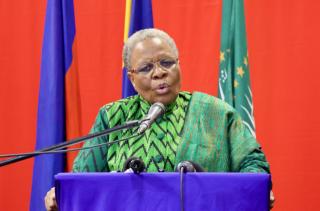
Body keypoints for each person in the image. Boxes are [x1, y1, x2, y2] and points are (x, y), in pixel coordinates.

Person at [45, 28, 274, 210]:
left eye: (166, 63)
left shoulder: (216, 112)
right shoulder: (114, 117)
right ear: (132, 78)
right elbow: (81, 179)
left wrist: (256, 188)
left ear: (179, 65)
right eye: (146, 68)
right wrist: (59, 193)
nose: (159, 73)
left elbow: (253, 164)